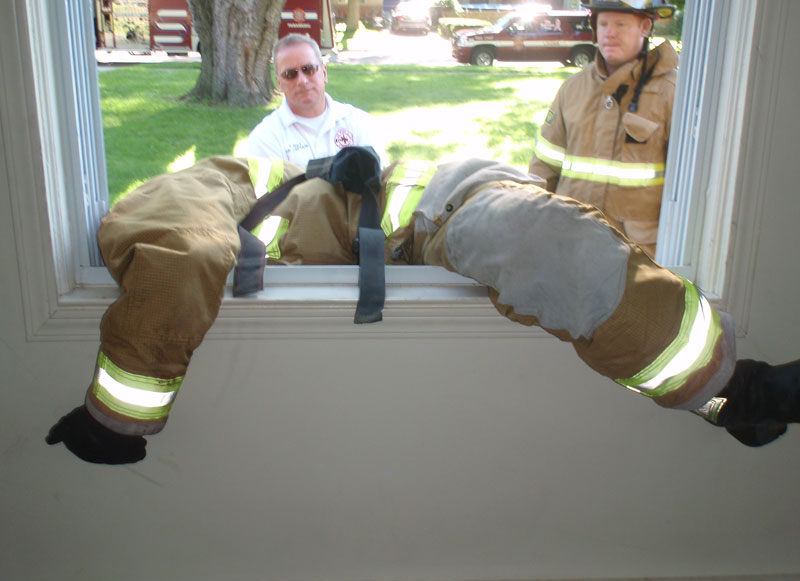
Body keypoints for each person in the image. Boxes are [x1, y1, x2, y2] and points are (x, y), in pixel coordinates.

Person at [45, 150, 800, 465]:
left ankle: (736, 388)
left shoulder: (288, 177)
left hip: (445, 204)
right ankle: (736, 394)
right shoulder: (203, 188)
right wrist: (118, 417)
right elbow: (179, 261)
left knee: (543, 240)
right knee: (538, 240)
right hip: (422, 226)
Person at [528, 0, 679, 258]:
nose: (609, 32)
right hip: (570, 246)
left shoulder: (673, 93)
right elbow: (544, 169)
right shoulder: (573, 89)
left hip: (637, 259)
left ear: (645, 26)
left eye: (620, 24)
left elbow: (686, 191)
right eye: (603, 23)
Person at [247, 34, 389, 170]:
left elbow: (379, 183)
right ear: (279, 83)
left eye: (309, 69)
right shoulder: (264, 138)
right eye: (290, 74)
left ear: (324, 73)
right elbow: (270, 194)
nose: (302, 80)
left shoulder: (360, 123)